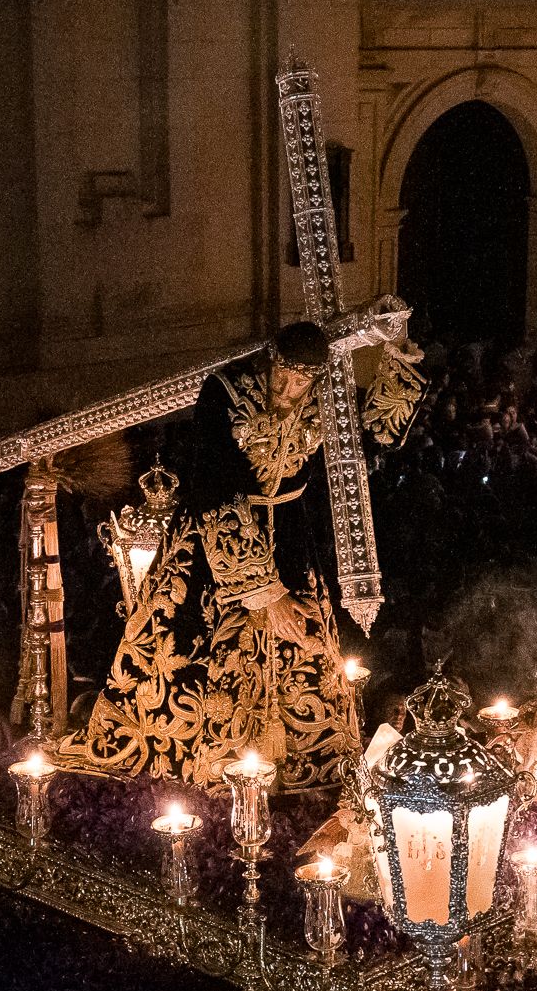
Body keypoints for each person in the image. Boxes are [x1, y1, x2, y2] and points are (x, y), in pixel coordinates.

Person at [57, 323, 356, 790]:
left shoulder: (328, 398)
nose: (288, 389)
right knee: (188, 656)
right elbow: (215, 486)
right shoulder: (225, 391)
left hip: (294, 543)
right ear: (269, 360)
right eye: (282, 375)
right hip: (214, 550)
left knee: (309, 664)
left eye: (301, 382)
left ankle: (305, 759)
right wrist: (264, 591)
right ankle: (205, 757)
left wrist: (397, 358)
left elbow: (371, 439)